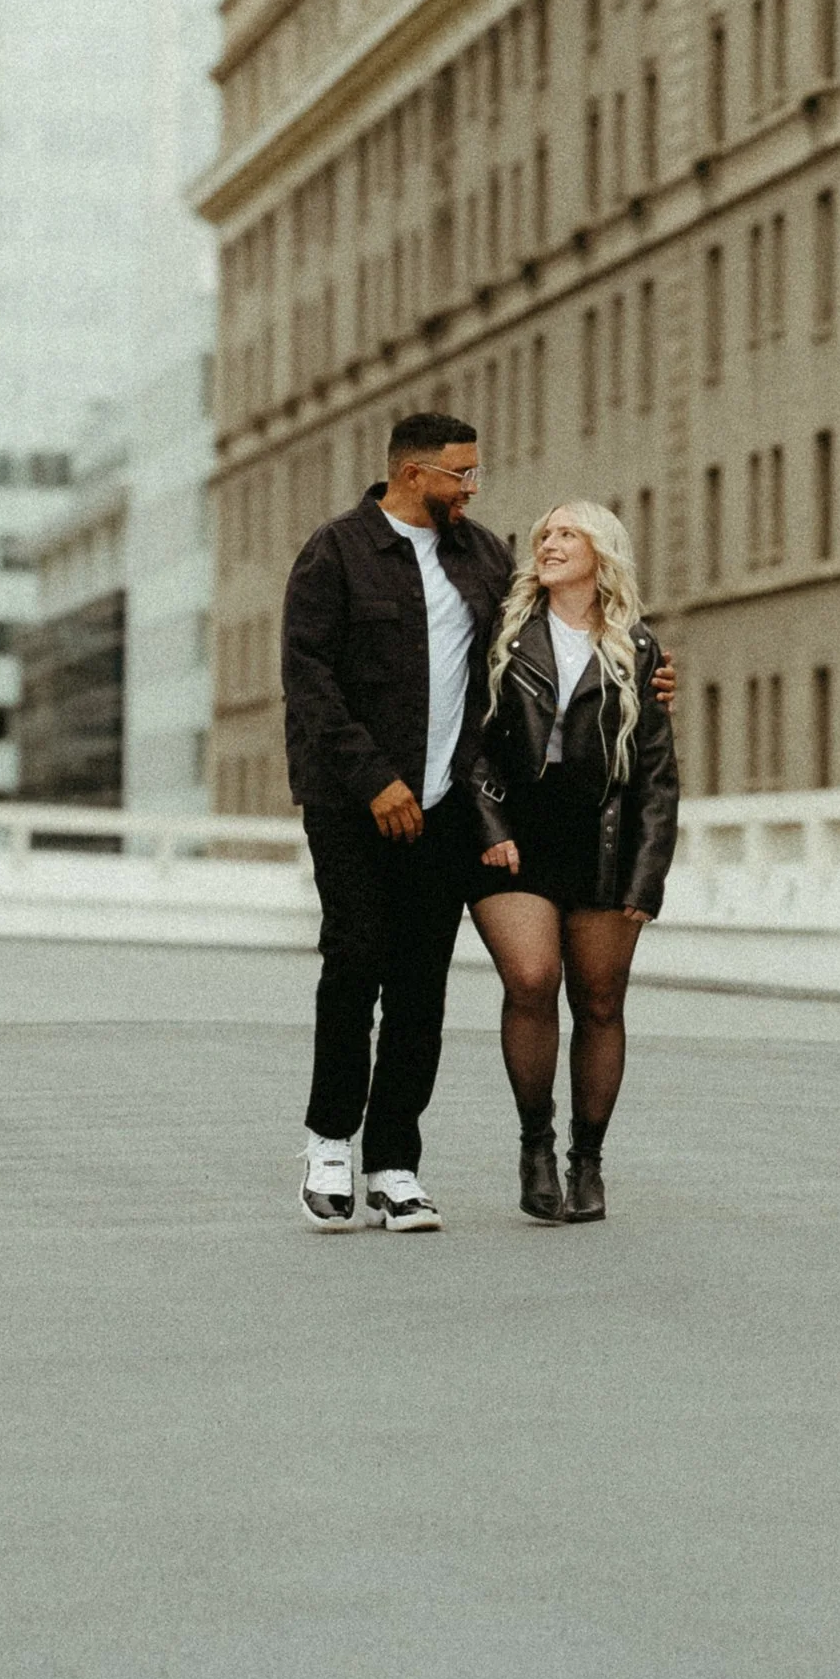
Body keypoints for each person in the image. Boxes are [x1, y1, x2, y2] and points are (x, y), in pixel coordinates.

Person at [282, 412, 508, 1233]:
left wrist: (646, 669)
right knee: (356, 959)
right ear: (414, 473)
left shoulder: (482, 555)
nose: (472, 488)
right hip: (351, 804)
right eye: (461, 474)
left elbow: (537, 646)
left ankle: (396, 1164)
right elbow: (307, 680)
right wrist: (375, 778)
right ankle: (330, 1143)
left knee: (421, 984)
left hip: (446, 806)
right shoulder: (336, 552)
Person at [467, 500, 678, 1225]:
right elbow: (469, 743)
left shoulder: (639, 649)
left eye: (567, 534)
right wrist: (489, 821)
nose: (550, 544)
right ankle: (535, 1146)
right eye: (544, 534)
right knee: (531, 979)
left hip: (606, 838)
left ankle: (586, 1162)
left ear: (602, 552)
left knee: (599, 1001)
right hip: (515, 834)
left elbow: (655, 775)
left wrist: (648, 876)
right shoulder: (503, 634)